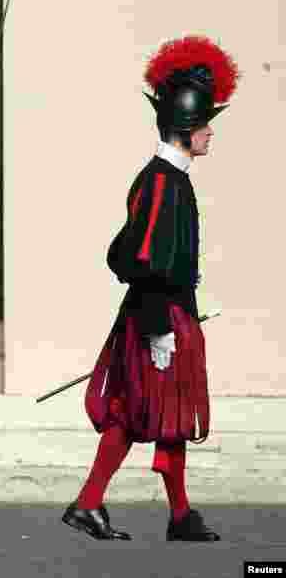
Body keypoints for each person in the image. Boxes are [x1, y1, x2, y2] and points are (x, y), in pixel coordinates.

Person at [65, 35, 236, 543]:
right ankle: (137, 510)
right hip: (158, 316)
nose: (209, 133)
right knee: (156, 413)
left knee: (154, 413)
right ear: (184, 128)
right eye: (204, 124)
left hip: (165, 311)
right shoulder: (162, 182)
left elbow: (131, 252)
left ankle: (124, 508)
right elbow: (140, 259)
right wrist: (161, 327)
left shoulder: (169, 179)